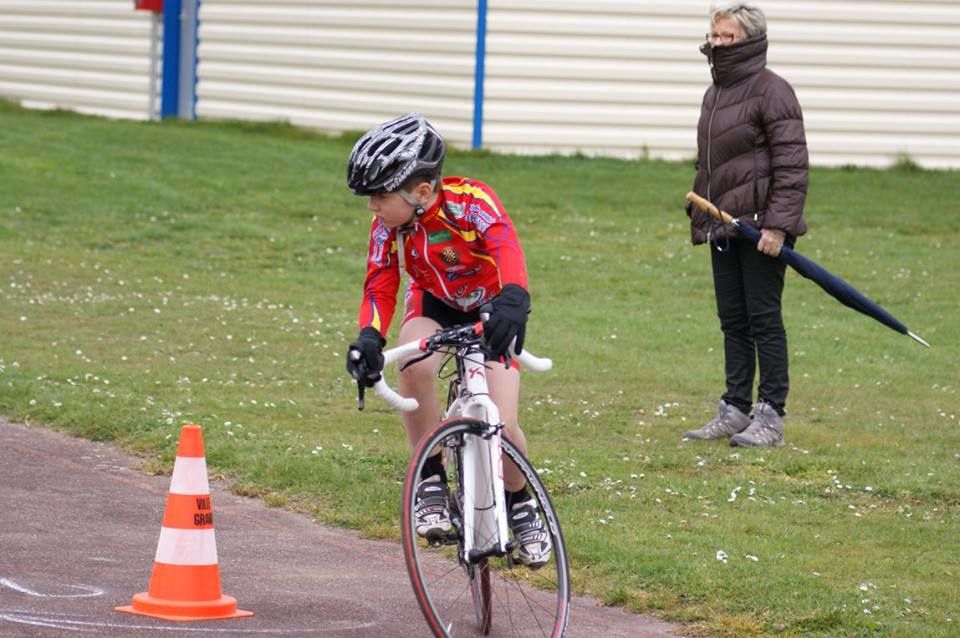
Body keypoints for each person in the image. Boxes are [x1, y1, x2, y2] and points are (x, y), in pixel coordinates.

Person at [344, 112, 551, 567]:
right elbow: (380, 282)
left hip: (492, 308)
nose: (372, 208)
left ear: (420, 192)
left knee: (505, 421)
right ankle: (431, 475)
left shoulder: (470, 200)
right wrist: (369, 337)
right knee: (413, 365)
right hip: (434, 303)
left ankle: (520, 502)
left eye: (378, 196)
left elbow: (505, 244)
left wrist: (514, 297)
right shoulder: (387, 226)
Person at [683, 3, 808, 448]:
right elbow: (714, 164)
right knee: (732, 321)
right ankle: (735, 409)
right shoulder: (714, 94)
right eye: (714, 35)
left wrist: (777, 226)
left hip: (761, 229)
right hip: (724, 225)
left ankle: (770, 416)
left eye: (726, 37)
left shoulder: (773, 91)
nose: (716, 43)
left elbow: (792, 167)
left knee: (763, 320)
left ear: (750, 40)